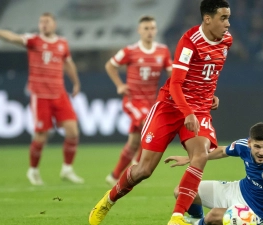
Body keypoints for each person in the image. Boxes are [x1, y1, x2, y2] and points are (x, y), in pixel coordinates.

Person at [88, 0, 233, 225]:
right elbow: (175, 84)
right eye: (223, 18)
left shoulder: (227, 41)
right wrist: (187, 112)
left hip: (199, 109)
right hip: (170, 107)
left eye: (228, 18)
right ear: (207, 19)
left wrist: (209, 94)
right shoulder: (189, 42)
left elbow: (210, 72)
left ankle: (177, 217)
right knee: (144, 170)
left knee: (201, 155)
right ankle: (108, 200)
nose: (227, 24)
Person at [0, 13, 84, 185]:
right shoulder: (34, 41)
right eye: (41, 22)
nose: (43, 24)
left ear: (54, 24)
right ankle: (33, 171)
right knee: (41, 136)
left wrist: (76, 83)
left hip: (60, 93)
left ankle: (67, 169)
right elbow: (12, 38)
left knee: (73, 131)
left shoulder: (62, 43)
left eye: (47, 21)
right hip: (40, 95)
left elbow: (68, 63)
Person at [164, 122, 263, 225]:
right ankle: (195, 218)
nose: (262, 152)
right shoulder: (242, 146)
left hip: (254, 211)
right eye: (257, 147)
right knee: (182, 190)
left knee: (213, 217)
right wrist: (191, 158)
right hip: (237, 190)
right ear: (249, 143)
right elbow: (222, 151)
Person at [104, 15, 173, 186]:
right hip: (133, 100)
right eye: (146, 29)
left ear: (156, 30)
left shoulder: (163, 51)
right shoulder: (130, 50)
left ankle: (113, 176)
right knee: (146, 124)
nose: (150, 32)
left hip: (151, 102)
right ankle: (138, 163)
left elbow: (171, 73)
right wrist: (120, 85)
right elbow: (110, 65)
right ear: (139, 31)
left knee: (134, 142)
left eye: (152, 28)